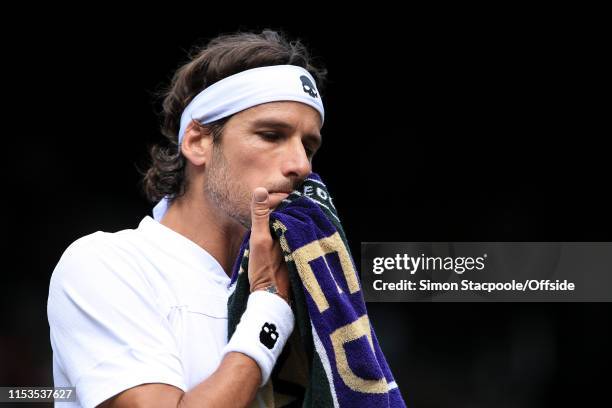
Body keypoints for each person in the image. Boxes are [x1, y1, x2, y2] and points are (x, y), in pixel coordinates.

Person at [47, 29, 327, 408]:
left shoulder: (306, 281)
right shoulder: (106, 264)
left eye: (308, 146)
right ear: (197, 141)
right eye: (271, 134)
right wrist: (270, 308)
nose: (301, 165)